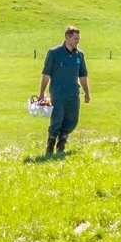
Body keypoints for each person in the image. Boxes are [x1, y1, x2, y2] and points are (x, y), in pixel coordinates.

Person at [39, 25, 91, 155]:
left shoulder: (80, 55)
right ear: (67, 37)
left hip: (73, 94)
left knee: (72, 120)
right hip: (58, 94)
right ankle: (50, 146)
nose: (77, 41)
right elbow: (46, 75)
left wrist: (87, 92)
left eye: (78, 39)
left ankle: (62, 143)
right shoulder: (54, 53)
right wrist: (41, 93)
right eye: (75, 39)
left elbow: (83, 75)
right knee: (57, 120)